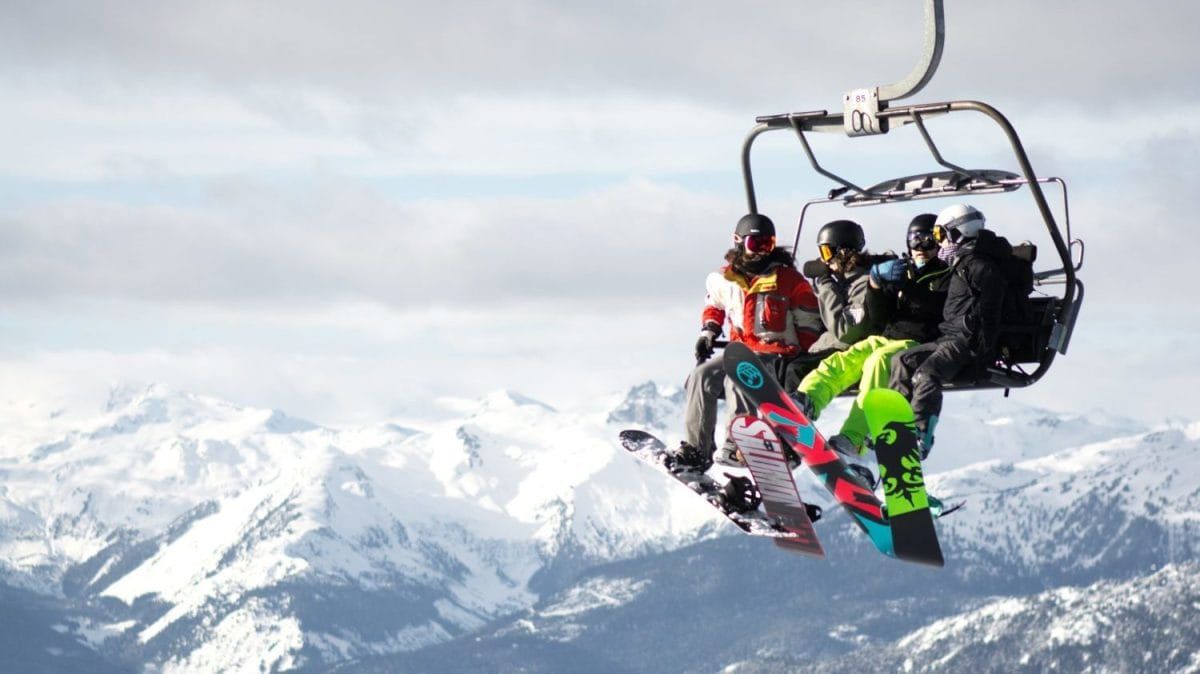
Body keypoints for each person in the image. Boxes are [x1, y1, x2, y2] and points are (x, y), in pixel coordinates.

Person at [789, 214, 952, 469]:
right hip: (888, 335)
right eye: (914, 241)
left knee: (879, 362)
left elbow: (939, 311)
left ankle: (856, 438)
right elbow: (879, 317)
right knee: (845, 359)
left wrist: (905, 287)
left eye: (928, 242)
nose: (920, 249)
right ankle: (806, 399)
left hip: (920, 342)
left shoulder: (948, 274)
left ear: (940, 244)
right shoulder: (904, 270)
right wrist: (878, 285)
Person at [676, 213, 823, 471]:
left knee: (739, 373)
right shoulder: (725, 279)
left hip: (777, 355)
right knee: (701, 375)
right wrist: (709, 331)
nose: (761, 252)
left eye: (768, 244)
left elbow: (809, 323)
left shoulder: (788, 281)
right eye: (756, 244)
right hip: (741, 349)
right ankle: (696, 449)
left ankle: (740, 444)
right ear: (738, 242)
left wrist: (799, 361)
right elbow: (715, 305)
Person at [889, 203, 1016, 458]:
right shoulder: (964, 262)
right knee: (902, 360)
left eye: (939, 236)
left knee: (927, 374)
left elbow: (992, 310)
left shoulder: (980, 266)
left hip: (966, 342)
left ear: (957, 233)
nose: (940, 244)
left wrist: (981, 349)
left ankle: (920, 433)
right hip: (949, 336)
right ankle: (895, 425)